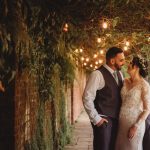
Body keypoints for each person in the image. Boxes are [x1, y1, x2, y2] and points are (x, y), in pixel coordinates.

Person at [83, 47, 125, 150]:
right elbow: (87, 98)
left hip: (117, 120)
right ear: (112, 60)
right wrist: (96, 119)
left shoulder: (120, 74)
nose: (123, 63)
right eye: (121, 60)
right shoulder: (97, 74)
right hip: (103, 120)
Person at [115, 56, 150, 150]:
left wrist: (135, 126)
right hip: (121, 124)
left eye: (131, 63)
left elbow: (147, 110)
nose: (128, 65)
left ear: (137, 67)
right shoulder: (124, 81)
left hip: (134, 125)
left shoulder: (144, 85)